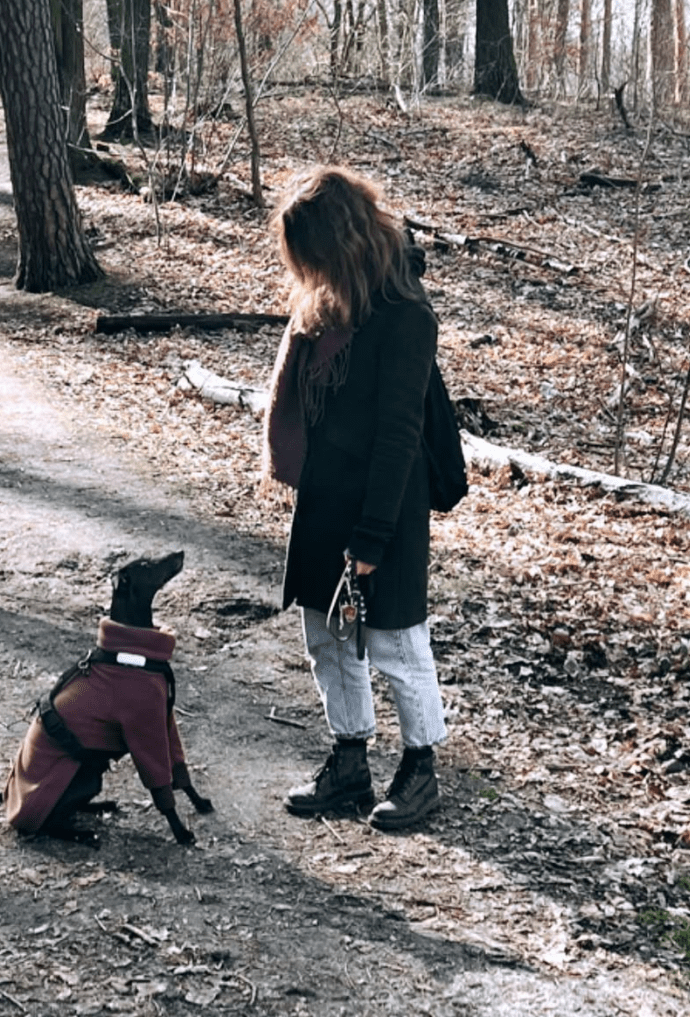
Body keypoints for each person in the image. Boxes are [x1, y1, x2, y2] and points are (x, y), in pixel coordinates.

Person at [263, 165, 449, 831]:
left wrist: (371, 536)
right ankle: (349, 760)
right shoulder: (325, 304)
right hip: (325, 497)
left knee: (396, 642)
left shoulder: (404, 315)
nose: (306, 272)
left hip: (384, 504)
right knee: (326, 633)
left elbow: (399, 433)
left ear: (341, 244)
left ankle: (419, 769)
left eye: (312, 257)